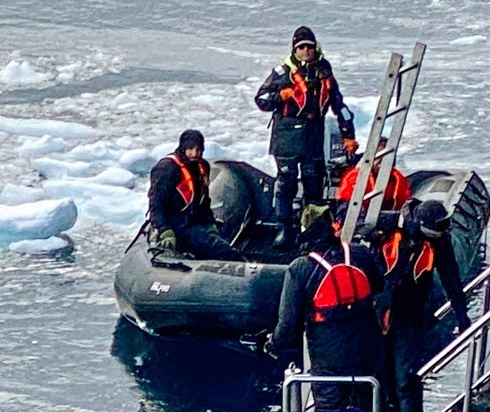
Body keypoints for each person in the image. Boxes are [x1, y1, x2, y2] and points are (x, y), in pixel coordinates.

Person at [267, 204, 400, 412]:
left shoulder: (301, 268)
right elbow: (382, 290)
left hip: (329, 359)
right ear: (332, 227)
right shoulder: (361, 255)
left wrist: (272, 345)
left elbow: (287, 324)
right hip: (369, 350)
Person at [377, 198, 472, 412]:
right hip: (382, 317)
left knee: (408, 381)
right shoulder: (389, 227)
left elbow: (451, 275)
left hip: (410, 319)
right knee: (386, 386)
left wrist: (462, 314)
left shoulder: (438, 243)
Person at [254, 26, 358, 247]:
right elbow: (261, 99)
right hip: (287, 139)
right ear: (294, 49)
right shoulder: (282, 73)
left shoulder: (325, 73)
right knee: (286, 184)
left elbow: (340, 106)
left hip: (313, 137)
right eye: (301, 47)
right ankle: (285, 229)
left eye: (309, 47)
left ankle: (312, 230)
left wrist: (348, 135)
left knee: (314, 185)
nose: (305, 51)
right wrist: (280, 96)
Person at [145, 129, 244, 262]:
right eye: (190, 149)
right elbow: (156, 204)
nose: (194, 154)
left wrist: (210, 224)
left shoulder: (202, 167)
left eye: (198, 150)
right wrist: (165, 230)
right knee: (221, 250)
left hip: (195, 221)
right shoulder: (166, 169)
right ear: (183, 148)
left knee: (221, 236)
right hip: (177, 224)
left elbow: (203, 201)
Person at [335, 137, 411, 213]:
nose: (382, 161)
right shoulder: (355, 177)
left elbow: (405, 202)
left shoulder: (397, 179)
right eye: (379, 156)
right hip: (360, 221)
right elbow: (344, 209)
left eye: (386, 157)